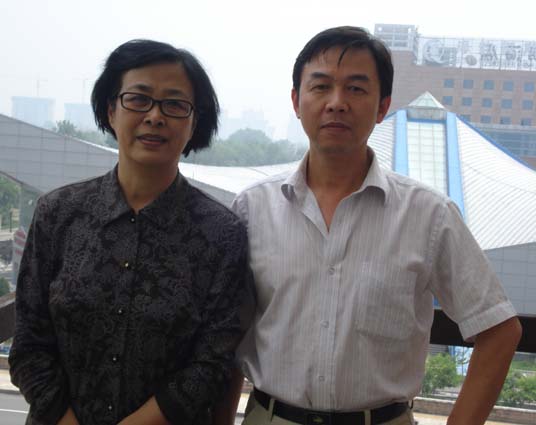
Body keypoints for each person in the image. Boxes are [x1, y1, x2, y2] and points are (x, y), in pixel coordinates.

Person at [223, 26, 522, 425]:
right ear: (296, 101)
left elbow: (499, 330)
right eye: (321, 86)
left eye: (356, 89)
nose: (336, 103)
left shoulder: (428, 215)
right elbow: (226, 333)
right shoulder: (252, 209)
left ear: (382, 107)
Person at [9, 39, 253, 425]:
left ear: (194, 122)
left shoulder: (222, 233)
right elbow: (28, 344)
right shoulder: (58, 214)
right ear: (111, 110)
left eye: (175, 104)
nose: (155, 116)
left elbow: (213, 363)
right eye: (138, 99)